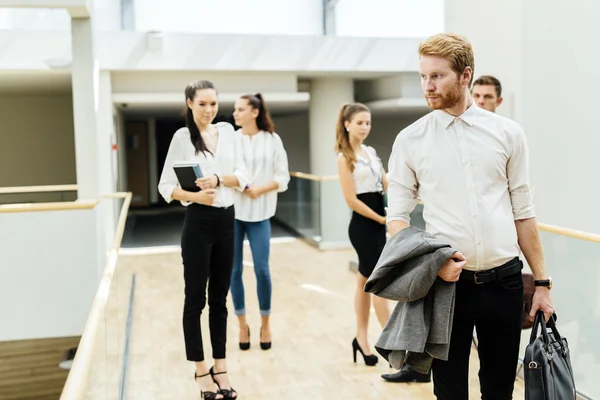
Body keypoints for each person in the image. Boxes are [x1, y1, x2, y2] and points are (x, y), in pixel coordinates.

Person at [384, 33, 555, 399]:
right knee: (449, 391)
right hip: (446, 285)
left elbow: (524, 213)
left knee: (499, 388)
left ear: (465, 76)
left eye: (437, 76)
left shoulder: (508, 133)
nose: (427, 86)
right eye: (423, 77)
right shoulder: (410, 140)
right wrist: (433, 264)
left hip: (505, 282)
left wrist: (542, 284)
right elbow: (396, 218)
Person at [158, 80, 247, 400]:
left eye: (213, 104)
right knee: (195, 299)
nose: (209, 110)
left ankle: (220, 368)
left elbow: (243, 175)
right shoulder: (182, 137)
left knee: (220, 300)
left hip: (227, 221)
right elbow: (166, 187)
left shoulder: (228, 132)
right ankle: (200, 370)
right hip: (198, 222)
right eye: (202, 104)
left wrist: (220, 180)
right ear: (190, 104)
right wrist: (197, 195)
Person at [230, 93, 290, 351]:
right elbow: (226, 170)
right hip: (232, 213)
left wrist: (260, 190)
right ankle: (242, 325)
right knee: (233, 271)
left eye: (240, 109)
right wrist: (240, 185)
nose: (235, 114)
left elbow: (283, 177)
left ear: (255, 112)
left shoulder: (272, 140)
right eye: (235, 109)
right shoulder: (231, 140)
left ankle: (265, 324)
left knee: (262, 270)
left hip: (261, 212)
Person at [335, 102, 390, 366]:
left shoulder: (371, 152)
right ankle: (392, 343)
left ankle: (361, 338)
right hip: (364, 226)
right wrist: (381, 218)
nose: (365, 127)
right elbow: (350, 200)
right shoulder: (344, 158)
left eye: (368, 122)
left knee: (363, 282)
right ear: (347, 124)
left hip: (380, 222)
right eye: (360, 122)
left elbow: (387, 183)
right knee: (377, 284)